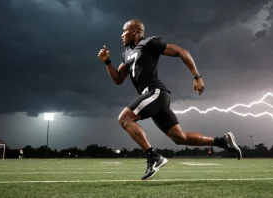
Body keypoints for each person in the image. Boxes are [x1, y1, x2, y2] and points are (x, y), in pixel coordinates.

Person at [98, 19, 242, 180]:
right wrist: (107, 62)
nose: (121, 35)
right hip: (153, 97)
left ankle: (153, 157)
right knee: (179, 138)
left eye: (124, 30)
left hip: (156, 92)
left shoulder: (149, 43)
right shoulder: (126, 54)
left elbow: (182, 52)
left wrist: (197, 76)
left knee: (125, 119)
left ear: (135, 31)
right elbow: (118, 79)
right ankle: (223, 142)